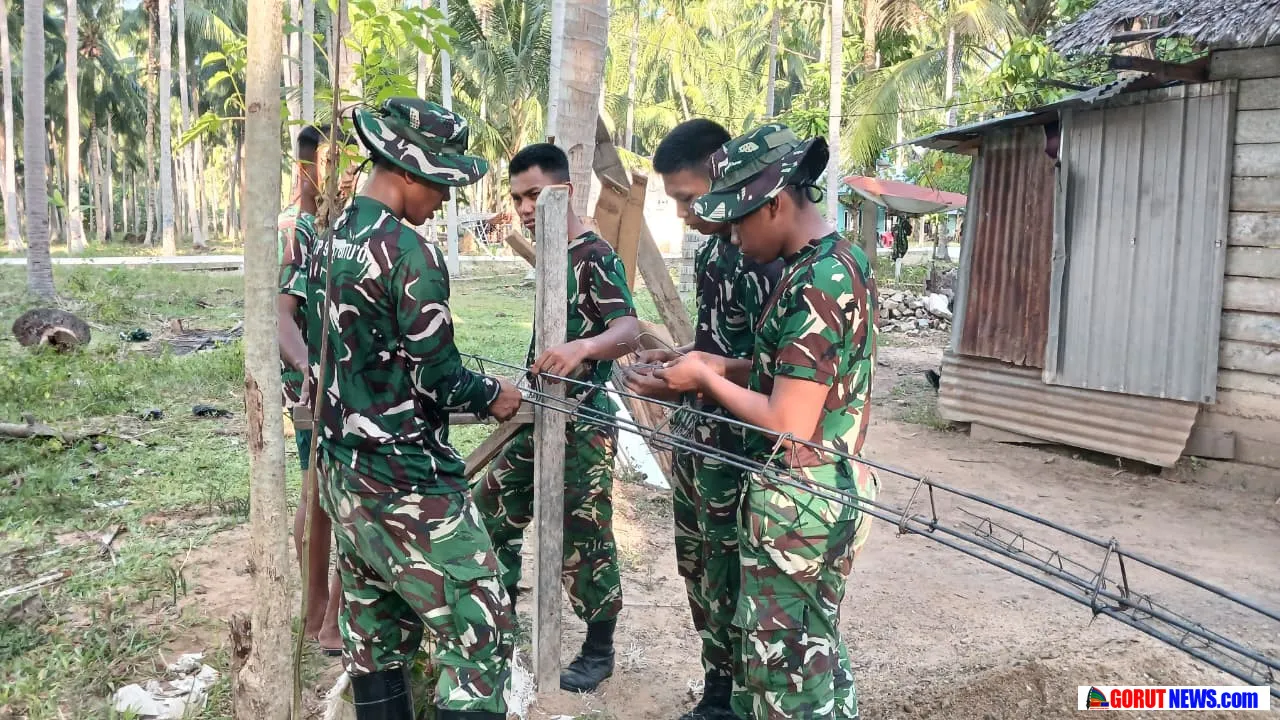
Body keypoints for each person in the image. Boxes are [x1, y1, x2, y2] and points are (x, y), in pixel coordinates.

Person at [654, 123, 880, 720]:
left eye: (737, 219)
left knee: (784, 675)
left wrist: (706, 380)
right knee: (815, 651)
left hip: (801, 500)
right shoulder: (832, 261)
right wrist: (715, 361)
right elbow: (788, 371)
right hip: (813, 497)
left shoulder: (818, 281)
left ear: (776, 203)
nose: (730, 232)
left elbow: (788, 419)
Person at [308, 97, 523, 720]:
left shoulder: (334, 237)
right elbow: (441, 378)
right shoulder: (409, 255)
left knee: (376, 628)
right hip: (406, 479)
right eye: (440, 181)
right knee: (482, 624)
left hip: (344, 472)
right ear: (405, 171)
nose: (445, 197)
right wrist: (494, 395)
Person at [621, 119, 782, 720]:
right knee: (701, 568)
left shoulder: (767, 256)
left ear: (721, 167)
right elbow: (720, 345)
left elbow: (779, 371)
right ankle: (717, 687)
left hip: (746, 451)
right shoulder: (717, 250)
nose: (685, 214)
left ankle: (743, 697)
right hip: (701, 442)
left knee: (741, 575)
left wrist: (704, 375)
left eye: (688, 199)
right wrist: (678, 359)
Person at [473, 143, 640, 694]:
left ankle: (598, 650)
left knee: (584, 530)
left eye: (534, 195)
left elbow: (628, 330)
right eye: (517, 196)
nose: (523, 206)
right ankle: (496, 627)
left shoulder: (593, 255)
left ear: (564, 192)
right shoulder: (550, 252)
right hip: (536, 415)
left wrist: (581, 349)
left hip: (584, 420)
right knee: (493, 506)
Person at [276, 124, 342, 655]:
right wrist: (306, 369)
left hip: (351, 383)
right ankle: (317, 608)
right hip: (312, 387)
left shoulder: (356, 231)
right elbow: (282, 318)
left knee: (339, 498)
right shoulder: (301, 232)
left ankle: (331, 615)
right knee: (317, 493)